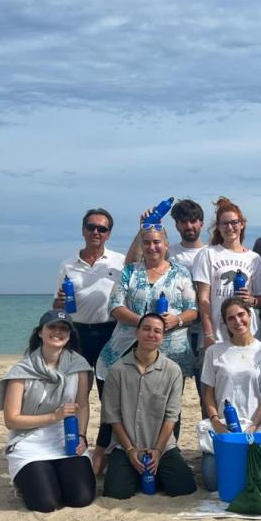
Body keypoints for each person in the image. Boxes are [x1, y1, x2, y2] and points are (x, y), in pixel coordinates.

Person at [96, 224, 198, 469]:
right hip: (126, 346)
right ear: (141, 246)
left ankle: (164, 454)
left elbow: (193, 310)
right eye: (147, 242)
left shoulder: (181, 273)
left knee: (168, 406)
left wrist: (177, 319)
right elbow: (115, 306)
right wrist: (145, 323)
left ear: (165, 244)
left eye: (157, 242)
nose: (152, 247)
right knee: (120, 401)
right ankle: (120, 451)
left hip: (172, 348)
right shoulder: (131, 271)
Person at [0, 310, 96, 512]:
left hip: (65, 436)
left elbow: (83, 405)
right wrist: (54, 416)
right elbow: (11, 420)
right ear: (40, 332)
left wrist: (81, 435)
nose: (57, 332)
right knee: (46, 504)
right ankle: (27, 480)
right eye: (52, 327)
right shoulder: (22, 370)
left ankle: (51, 473)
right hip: (29, 439)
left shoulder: (78, 365)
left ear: (69, 335)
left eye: (64, 328)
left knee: (81, 498)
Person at [53, 208, 125, 469]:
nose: (96, 232)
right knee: (77, 395)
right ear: (83, 230)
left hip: (111, 334)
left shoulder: (119, 262)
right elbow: (57, 304)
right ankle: (77, 442)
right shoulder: (68, 265)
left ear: (108, 234)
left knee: (110, 396)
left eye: (102, 228)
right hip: (79, 334)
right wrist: (58, 303)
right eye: (91, 227)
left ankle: (102, 451)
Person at [101, 313, 196, 499]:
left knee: (183, 488)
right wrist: (129, 450)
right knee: (117, 493)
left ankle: (151, 473)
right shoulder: (116, 370)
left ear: (162, 337)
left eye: (157, 331)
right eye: (146, 329)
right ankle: (134, 473)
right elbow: (112, 416)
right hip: (125, 445)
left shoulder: (173, 371)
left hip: (161, 445)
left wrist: (158, 451)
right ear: (137, 332)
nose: (151, 334)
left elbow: (171, 416)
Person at [199, 297, 261, 491]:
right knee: (212, 483)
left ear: (249, 314)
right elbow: (208, 394)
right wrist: (215, 421)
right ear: (225, 323)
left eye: (241, 315)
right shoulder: (215, 351)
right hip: (223, 427)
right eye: (231, 318)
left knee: (254, 481)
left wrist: (254, 426)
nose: (237, 321)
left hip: (254, 426)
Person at [193, 197, 261, 350]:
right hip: (218, 335)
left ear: (242, 224)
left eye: (234, 222)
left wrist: (251, 300)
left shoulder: (255, 259)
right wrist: (208, 334)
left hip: (249, 333)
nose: (230, 227)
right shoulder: (207, 254)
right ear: (218, 227)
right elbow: (203, 298)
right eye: (224, 223)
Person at [168, 199, 207, 418]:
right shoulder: (169, 253)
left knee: (207, 393)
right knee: (172, 394)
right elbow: (134, 264)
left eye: (193, 221)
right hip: (175, 330)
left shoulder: (211, 253)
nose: (189, 226)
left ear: (201, 223)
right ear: (177, 225)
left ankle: (210, 449)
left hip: (204, 331)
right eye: (184, 222)